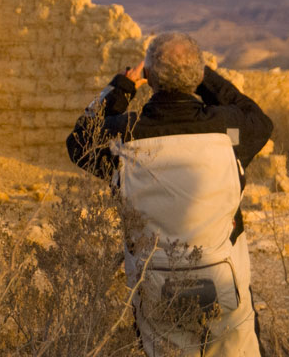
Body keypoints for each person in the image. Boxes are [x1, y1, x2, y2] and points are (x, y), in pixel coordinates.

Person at [66, 32, 273, 356]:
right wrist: (205, 77)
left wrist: (122, 86)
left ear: (148, 78)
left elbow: (79, 139)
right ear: (198, 75)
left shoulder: (124, 136)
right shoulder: (227, 131)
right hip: (225, 285)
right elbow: (258, 119)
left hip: (155, 290)